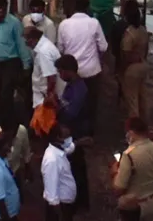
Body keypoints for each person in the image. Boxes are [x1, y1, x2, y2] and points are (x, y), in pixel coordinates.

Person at [57, 0, 107, 135]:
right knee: (91, 103)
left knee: (71, 103)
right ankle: (90, 133)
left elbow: (60, 48)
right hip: (91, 71)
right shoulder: (94, 23)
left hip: (71, 73)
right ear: (87, 8)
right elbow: (103, 47)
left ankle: (71, 131)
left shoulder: (64, 24)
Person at [0, 0, 32, 121]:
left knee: (6, 94)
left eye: (2, 9)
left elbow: (21, 43)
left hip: (11, 63)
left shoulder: (14, 22)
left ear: (6, 9)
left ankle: (9, 123)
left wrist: (26, 64)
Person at [113, 117, 153, 221]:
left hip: (132, 208)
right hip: (152, 205)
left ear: (131, 133)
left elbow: (118, 189)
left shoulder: (128, 155)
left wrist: (115, 171)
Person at [55, 54, 91, 212]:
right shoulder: (72, 85)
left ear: (68, 71)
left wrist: (56, 108)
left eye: (61, 71)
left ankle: (78, 203)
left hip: (76, 132)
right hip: (72, 130)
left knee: (76, 169)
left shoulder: (79, 89)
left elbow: (71, 112)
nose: (60, 75)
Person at [119, 0, 150, 120]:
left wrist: (122, 70)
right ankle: (144, 124)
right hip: (143, 65)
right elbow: (146, 49)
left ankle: (134, 129)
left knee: (132, 102)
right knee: (143, 98)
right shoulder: (143, 30)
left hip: (132, 69)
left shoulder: (129, 33)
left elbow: (126, 55)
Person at [41, 123, 78, 221]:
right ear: (58, 138)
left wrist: (80, 142)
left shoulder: (59, 149)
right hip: (59, 208)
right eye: (67, 136)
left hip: (65, 204)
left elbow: (69, 148)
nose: (69, 139)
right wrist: (61, 216)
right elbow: (52, 197)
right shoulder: (52, 160)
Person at [25, 27, 63, 111]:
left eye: (26, 40)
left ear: (31, 39)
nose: (25, 44)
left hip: (45, 98)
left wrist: (48, 96)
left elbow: (51, 77)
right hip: (43, 94)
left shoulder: (43, 52)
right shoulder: (44, 45)